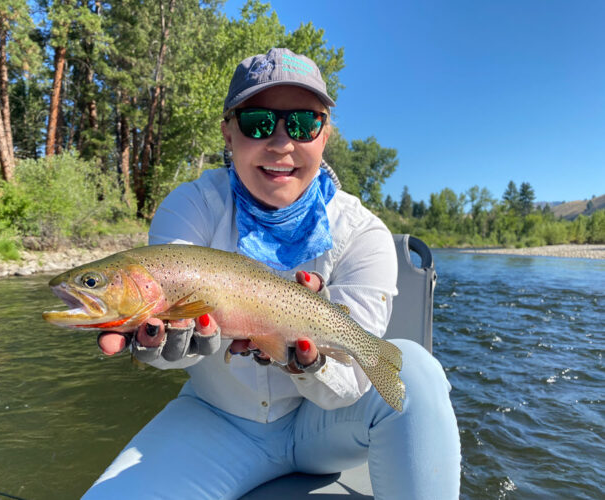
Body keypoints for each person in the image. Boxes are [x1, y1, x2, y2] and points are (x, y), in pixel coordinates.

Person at [83, 48, 461, 499]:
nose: (281, 143)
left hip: (325, 429)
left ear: (324, 136)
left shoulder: (363, 233)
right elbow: (175, 342)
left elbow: (353, 385)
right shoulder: (191, 208)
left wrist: (311, 360)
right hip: (216, 419)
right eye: (258, 122)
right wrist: (165, 344)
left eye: (303, 123)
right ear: (228, 131)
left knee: (415, 370)